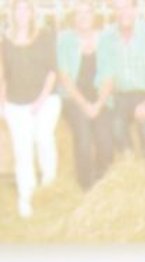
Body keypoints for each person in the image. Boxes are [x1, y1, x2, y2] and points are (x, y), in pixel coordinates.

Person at [1, 0, 61, 219]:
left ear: (33, 12)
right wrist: (2, 102)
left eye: (27, 8)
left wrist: (40, 100)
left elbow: (52, 71)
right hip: (16, 103)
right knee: (22, 149)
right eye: (18, 9)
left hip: (46, 100)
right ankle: (26, 196)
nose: (23, 13)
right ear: (13, 13)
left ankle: (49, 187)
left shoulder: (44, 36)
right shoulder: (6, 41)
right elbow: (4, 73)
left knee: (43, 138)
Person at [96, 0, 145, 159]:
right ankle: (128, 159)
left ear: (135, 9)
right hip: (119, 93)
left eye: (127, 7)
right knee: (115, 126)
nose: (123, 13)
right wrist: (103, 102)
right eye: (117, 8)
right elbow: (104, 75)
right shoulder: (106, 37)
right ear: (113, 12)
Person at [55, 0, 111, 190]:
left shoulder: (105, 40)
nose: (83, 17)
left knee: (105, 141)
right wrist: (85, 105)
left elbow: (110, 76)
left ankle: (102, 182)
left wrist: (99, 103)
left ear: (93, 16)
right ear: (74, 18)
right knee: (84, 139)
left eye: (87, 12)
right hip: (73, 98)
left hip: (100, 97)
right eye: (79, 13)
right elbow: (64, 78)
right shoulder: (65, 40)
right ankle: (86, 187)